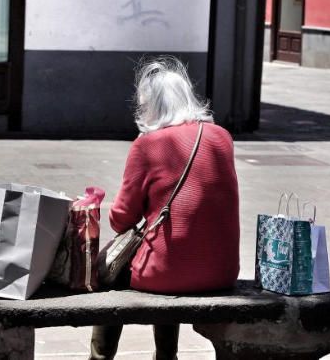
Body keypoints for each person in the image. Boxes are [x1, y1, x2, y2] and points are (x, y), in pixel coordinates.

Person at [90, 57, 240, 360]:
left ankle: (100, 357)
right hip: (222, 272)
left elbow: (121, 220)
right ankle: (166, 356)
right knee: (167, 249)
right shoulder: (221, 137)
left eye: (143, 104)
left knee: (109, 270)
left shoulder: (147, 144)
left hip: (167, 274)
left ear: (152, 105)